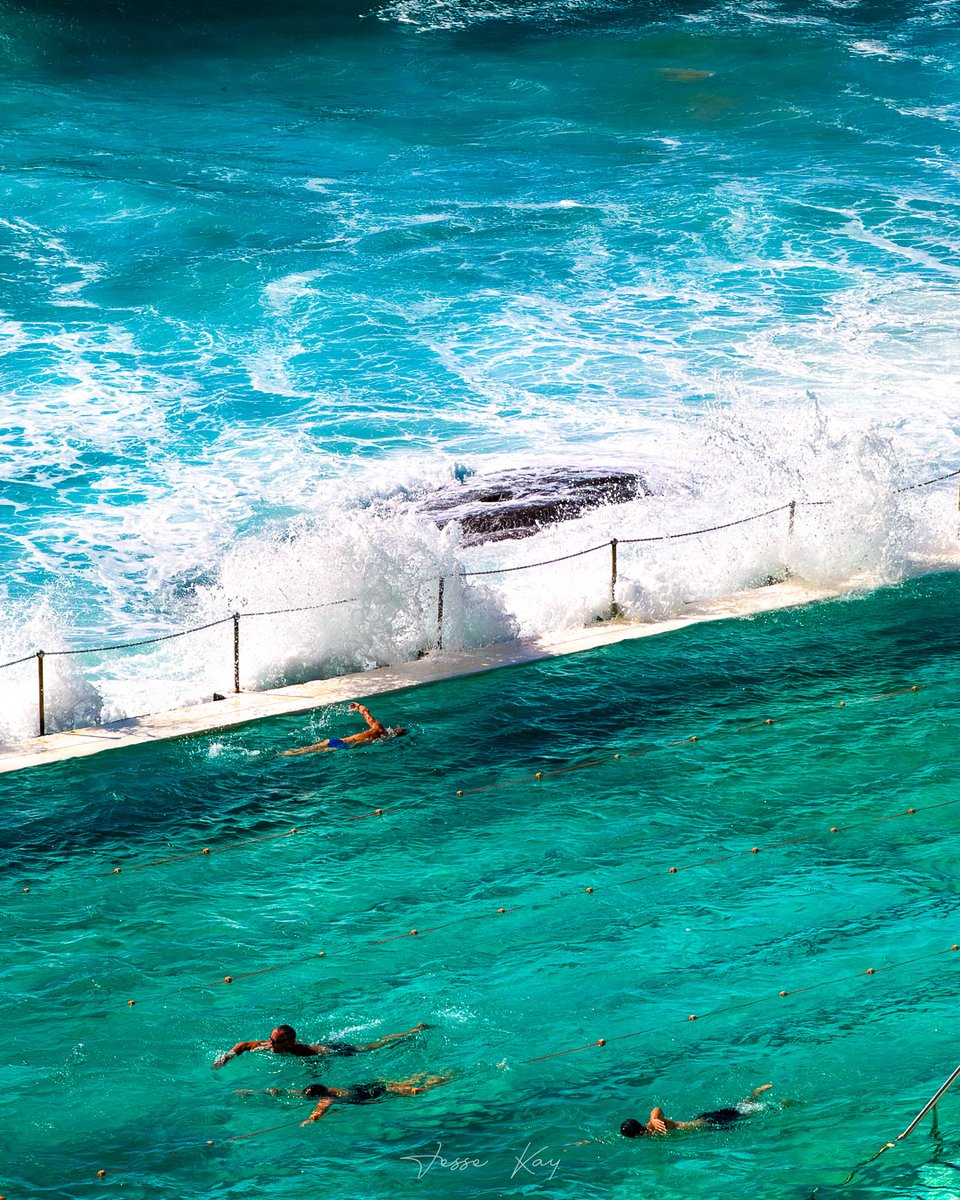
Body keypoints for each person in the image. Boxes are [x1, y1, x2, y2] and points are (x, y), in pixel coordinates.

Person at [212, 1021, 428, 1068]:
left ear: (290, 1042)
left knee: (371, 1048)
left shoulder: (300, 1051)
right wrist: (225, 1058)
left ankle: (412, 1032)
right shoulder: (266, 1045)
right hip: (321, 1047)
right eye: (271, 1039)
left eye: (276, 1041)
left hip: (332, 1052)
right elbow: (241, 1045)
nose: (271, 1043)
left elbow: (316, 1065)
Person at [620, 1083, 774, 1136]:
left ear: (640, 1133)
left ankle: (779, 1102)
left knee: (753, 1111)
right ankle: (755, 1094)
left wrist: (654, 1119)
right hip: (704, 1122)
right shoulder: (649, 1130)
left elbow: (657, 1109)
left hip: (709, 1123)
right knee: (740, 1109)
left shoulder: (654, 1125)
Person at [298, 1072, 452, 1124]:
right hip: (362, 1086)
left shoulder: (326, 1098)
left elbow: (320, 1109)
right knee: (399, 1084)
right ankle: (436, 1076)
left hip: (368, 1095)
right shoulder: (330, 1088)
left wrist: (311, 1118)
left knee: (405, 1090)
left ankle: (438, 1080)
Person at [281, 702, 407, 756]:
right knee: (309, 753)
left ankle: (282, 754)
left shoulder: (377, 727)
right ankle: (284, 755)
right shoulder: (384, 739)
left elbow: (366, 713)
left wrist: (358, 705)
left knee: (304, 749)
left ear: (394, 729)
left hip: (339, 740)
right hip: (343, 747)